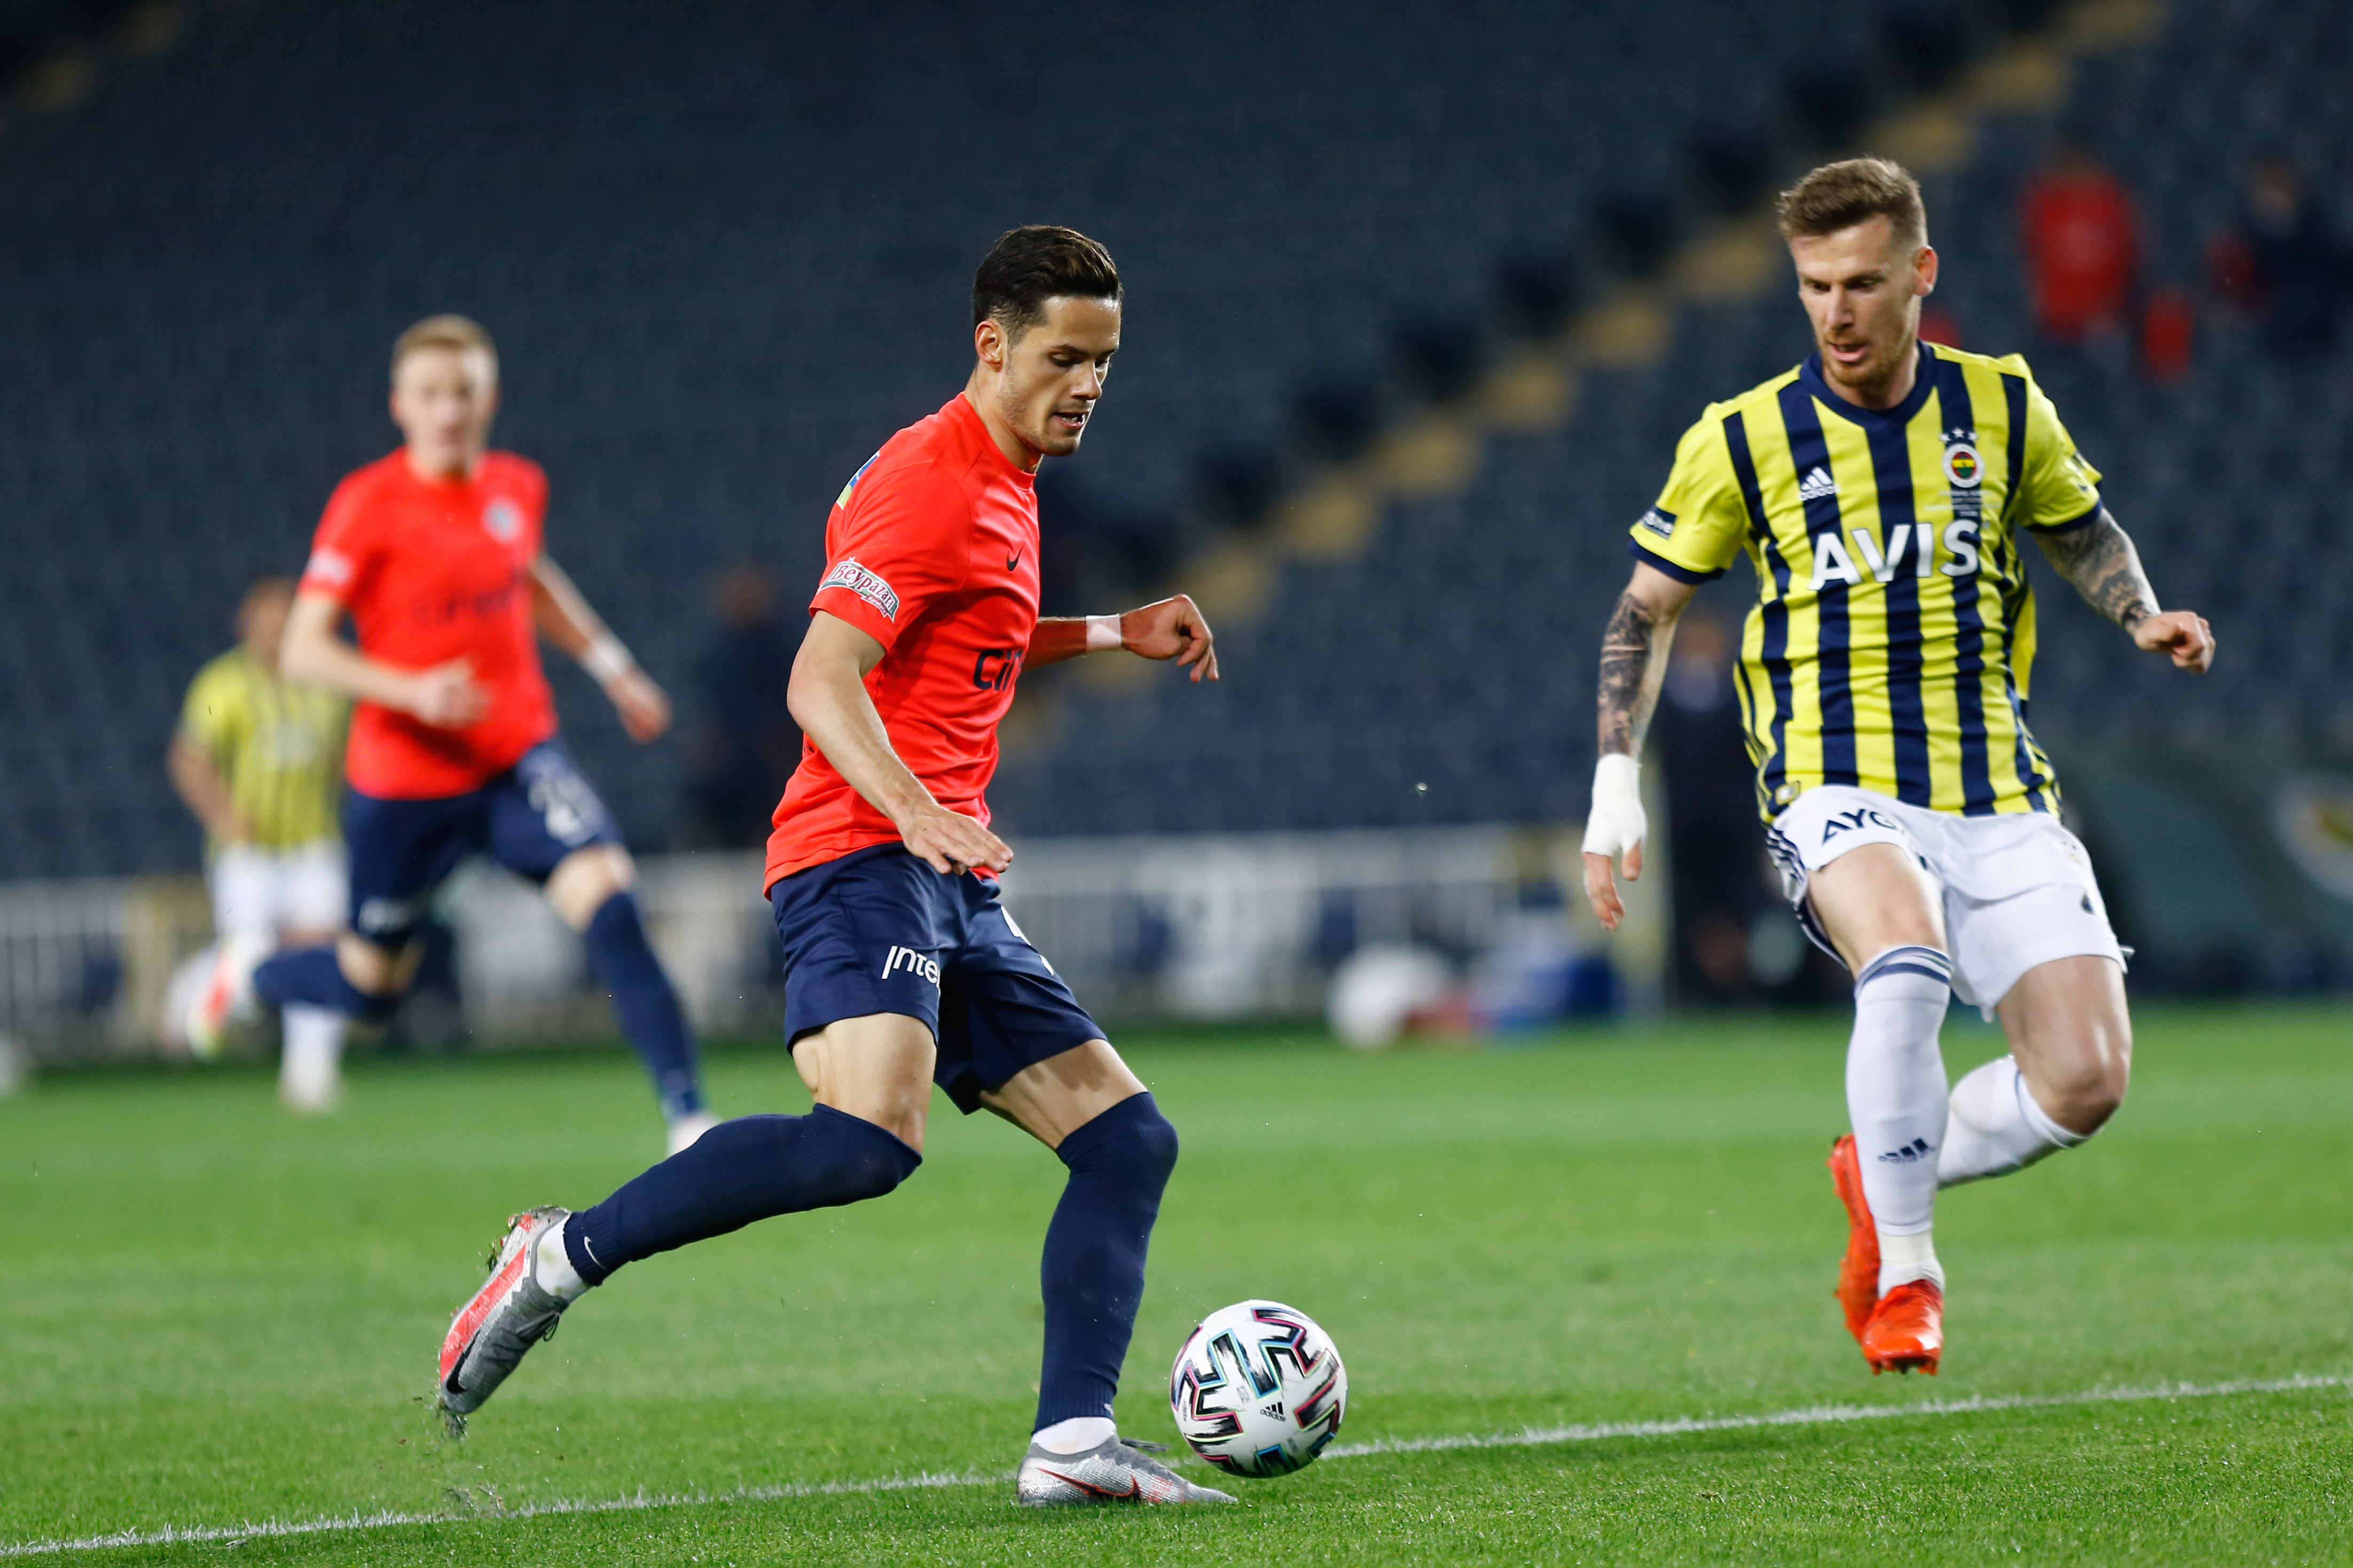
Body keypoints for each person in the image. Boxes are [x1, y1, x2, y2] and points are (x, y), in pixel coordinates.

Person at [432, 226, 1233, 1508]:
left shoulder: (1005, 477)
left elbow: (963, 630)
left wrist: (1105, 631)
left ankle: (1073, 1441)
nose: (1087, 384)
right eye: (1064, 359)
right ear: (992, 345)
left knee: (1127, 1139)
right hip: (861, 847)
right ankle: (558, 1256)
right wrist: (916, 810)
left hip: (945, 869)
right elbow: (820, 676)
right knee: (866, 1140)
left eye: (1104, 361)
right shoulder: (932, 477)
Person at [1581, 160, 2215, 1375]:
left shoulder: (2001, 406)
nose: (1836, 310)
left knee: (2083, 1083)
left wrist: (2139, 612)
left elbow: (2080, 527)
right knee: (1906, 958)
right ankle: (1909, 1276)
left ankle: (1877, 1166)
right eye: (1814, 284)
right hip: (1834, 781)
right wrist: (1613, 788)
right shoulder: (1742, 436)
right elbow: (1643, 611)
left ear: (1919, 273)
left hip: (1998, 788)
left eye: (1862, 282)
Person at [183, 315, 717, 1155]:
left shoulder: (516, 486)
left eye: (463, 391)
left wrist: (612, 666)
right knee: (370, 989)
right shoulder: (366, 505)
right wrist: (414, 692)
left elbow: (530, 576)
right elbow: (304, 648)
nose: (449, 410)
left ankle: (689, 1120)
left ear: (489, 398)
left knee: (612, 902)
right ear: (399, 405)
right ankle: (249, 973)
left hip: (514, 758)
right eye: (430, 394)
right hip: (405, 781)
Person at [167, 576, 351, 1110]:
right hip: (247, 850)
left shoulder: (325, 681)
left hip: (314, 842)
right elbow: (189, 758)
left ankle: (310, 1073)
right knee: (251, 947)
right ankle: (189, 996)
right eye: (266, 624)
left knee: (321, 952)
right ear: (245, 627)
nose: (275, 634)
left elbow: (342, 760)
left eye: (284, 623)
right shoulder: (222, 685)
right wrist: (224, 815)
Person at [677, 561, 801, 848]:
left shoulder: (780, 644)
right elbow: (708, 706)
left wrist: (784, 741)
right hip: (732, 748)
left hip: (770, 749)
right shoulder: (720, 649)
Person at [2213, 155, 2347, 363]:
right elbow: (2230, 295)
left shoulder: (2319, 233)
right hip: (2273, 343)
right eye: (2265, 192)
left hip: (2320, 336)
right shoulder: (2243, 243)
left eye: (2278, 190)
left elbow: (2337, 281)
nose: (2273, 200)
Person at [2019, 140, 2138, 345]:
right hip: (2055, 317)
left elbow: (2129, 256)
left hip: (2106, 316)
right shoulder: (2045, 204)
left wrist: (2112, 306)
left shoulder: (2110, 202)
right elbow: (2029, 252)